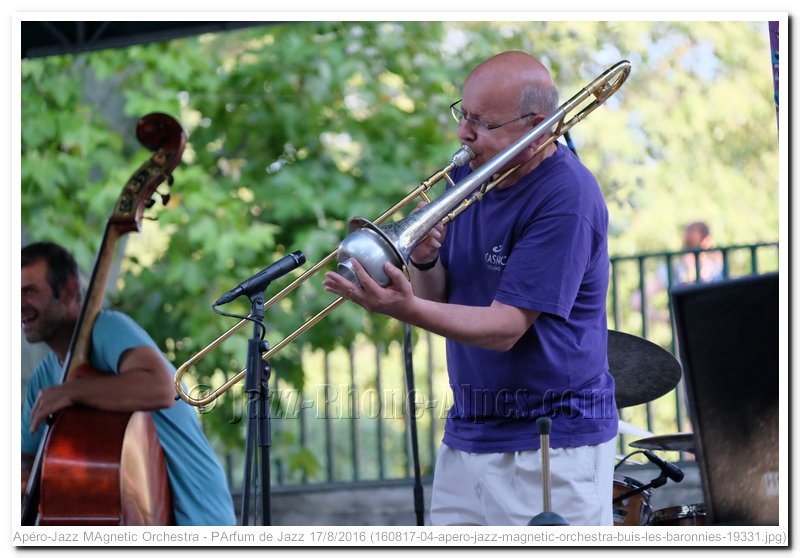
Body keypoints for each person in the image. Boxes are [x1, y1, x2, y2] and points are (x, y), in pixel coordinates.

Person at [323, 51, 617, 526]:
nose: (464, 133)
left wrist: (402, 308)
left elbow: (504, 328)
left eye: (483, 123)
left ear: (536, 126)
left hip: (550, 440)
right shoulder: (469, 176)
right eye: (464, 114)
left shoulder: (568, 195)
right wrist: (424, 259)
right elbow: (438, 297)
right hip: (470, 431)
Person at [21, 241, 236, 526]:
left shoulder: (107, 328)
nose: (18, 302)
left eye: (30, 291)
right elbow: (26, 463)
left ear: (69, 290)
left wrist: (72, 391)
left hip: (199, 524)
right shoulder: (43, 378)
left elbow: (163, 387)